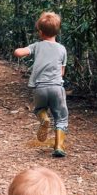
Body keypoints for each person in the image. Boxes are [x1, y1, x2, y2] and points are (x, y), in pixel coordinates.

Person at [13, 12, 68, 158]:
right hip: (57, 87)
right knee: (61, 117)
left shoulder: (36, 46)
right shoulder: (62, 49)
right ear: (57, 31)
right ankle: (59, 147)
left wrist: (18, 50)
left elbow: (19, 52)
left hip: (40, 88)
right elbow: (62, 72)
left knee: (39, 109)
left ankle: (44, 118)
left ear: (40, 32)